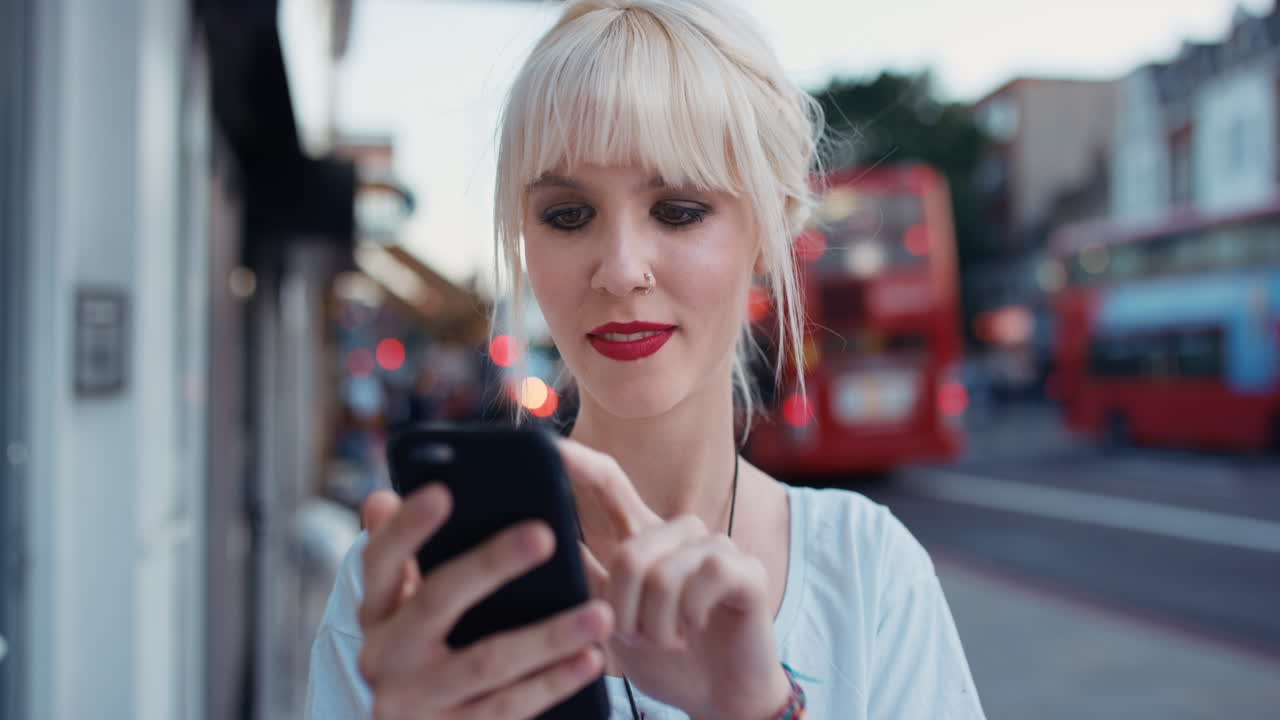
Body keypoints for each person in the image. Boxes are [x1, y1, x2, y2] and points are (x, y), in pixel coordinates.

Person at [306, 0, 987, 717]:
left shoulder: (869, 572)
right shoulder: (414, 588)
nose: (620, 269)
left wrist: (762, 711)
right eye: (568, 215)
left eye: (678, 209)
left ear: (770, 227)